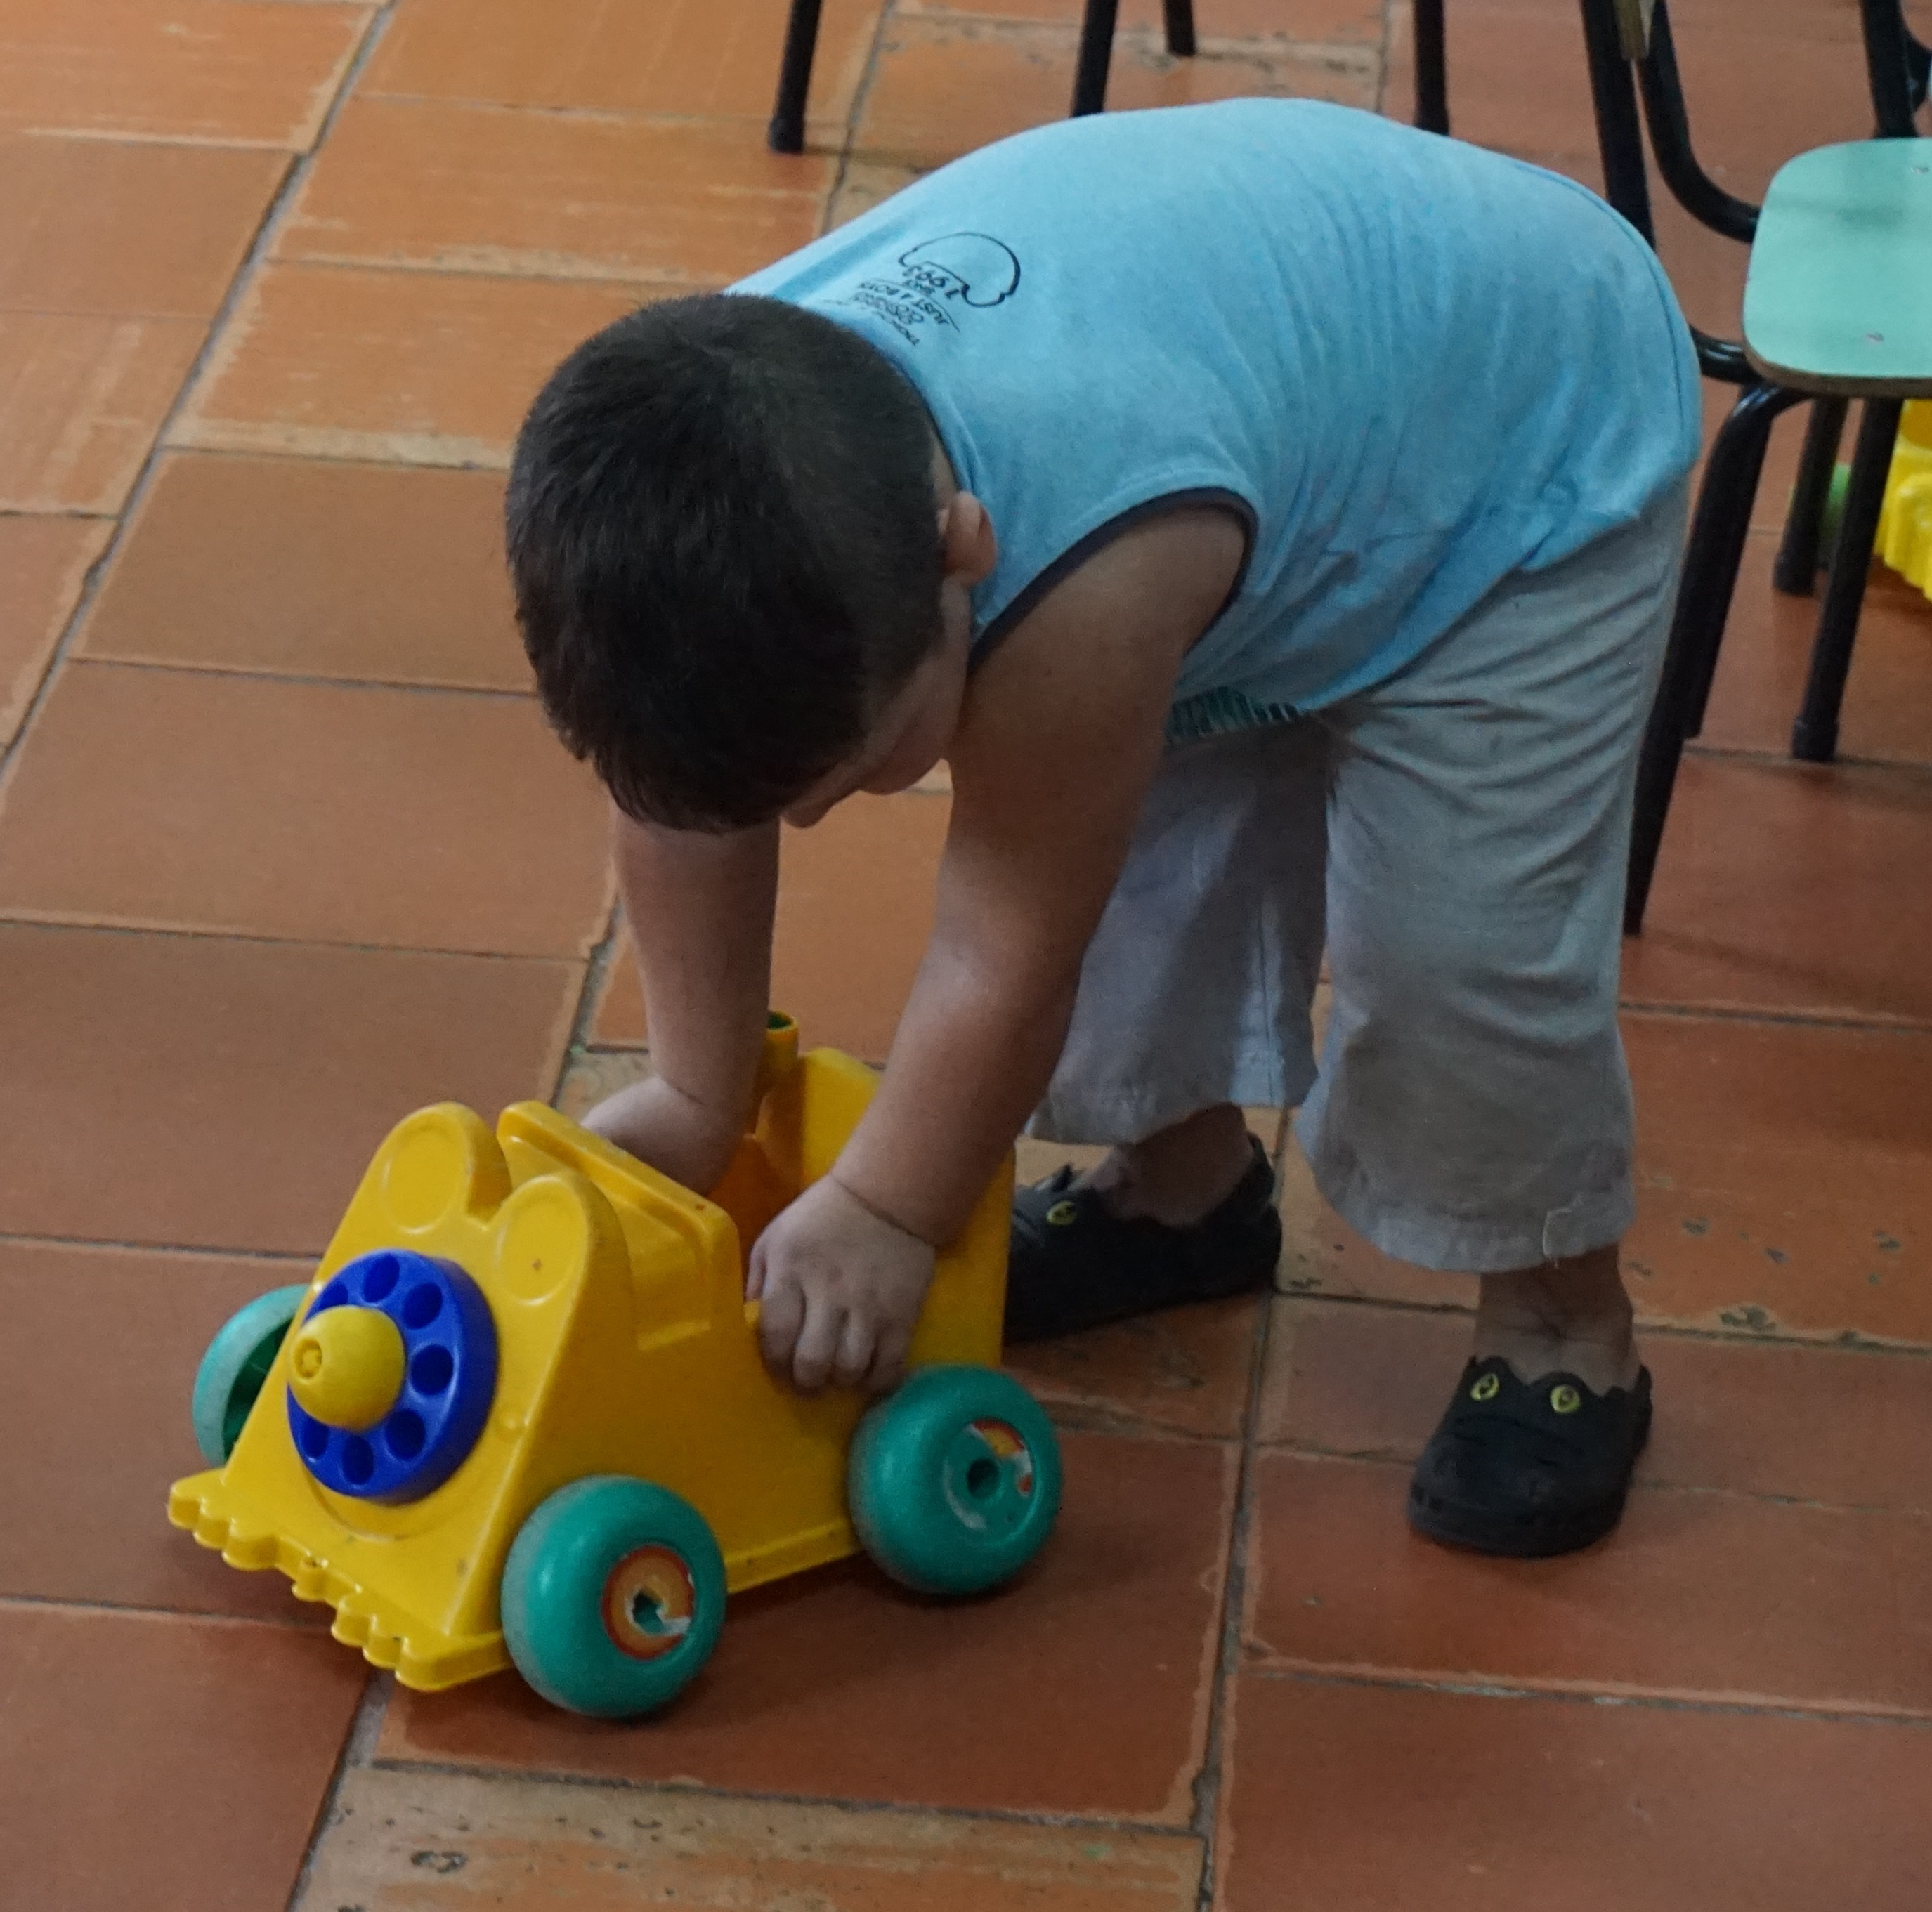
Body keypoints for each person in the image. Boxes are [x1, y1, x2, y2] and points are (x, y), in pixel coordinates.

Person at [504, 98, 1700, 1559]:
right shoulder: (684, 493)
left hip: (1519, 448)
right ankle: (1184, 1197)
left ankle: (1564, 1323)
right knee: (1140, 864)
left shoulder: (1078, 592)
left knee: (1461, 952)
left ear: (962, 555)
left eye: (849, 768)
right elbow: (678, 804)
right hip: (1257, 421)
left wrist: (889, 1206)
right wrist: (698, 1089)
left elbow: (1004, 949)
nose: (809, 812)